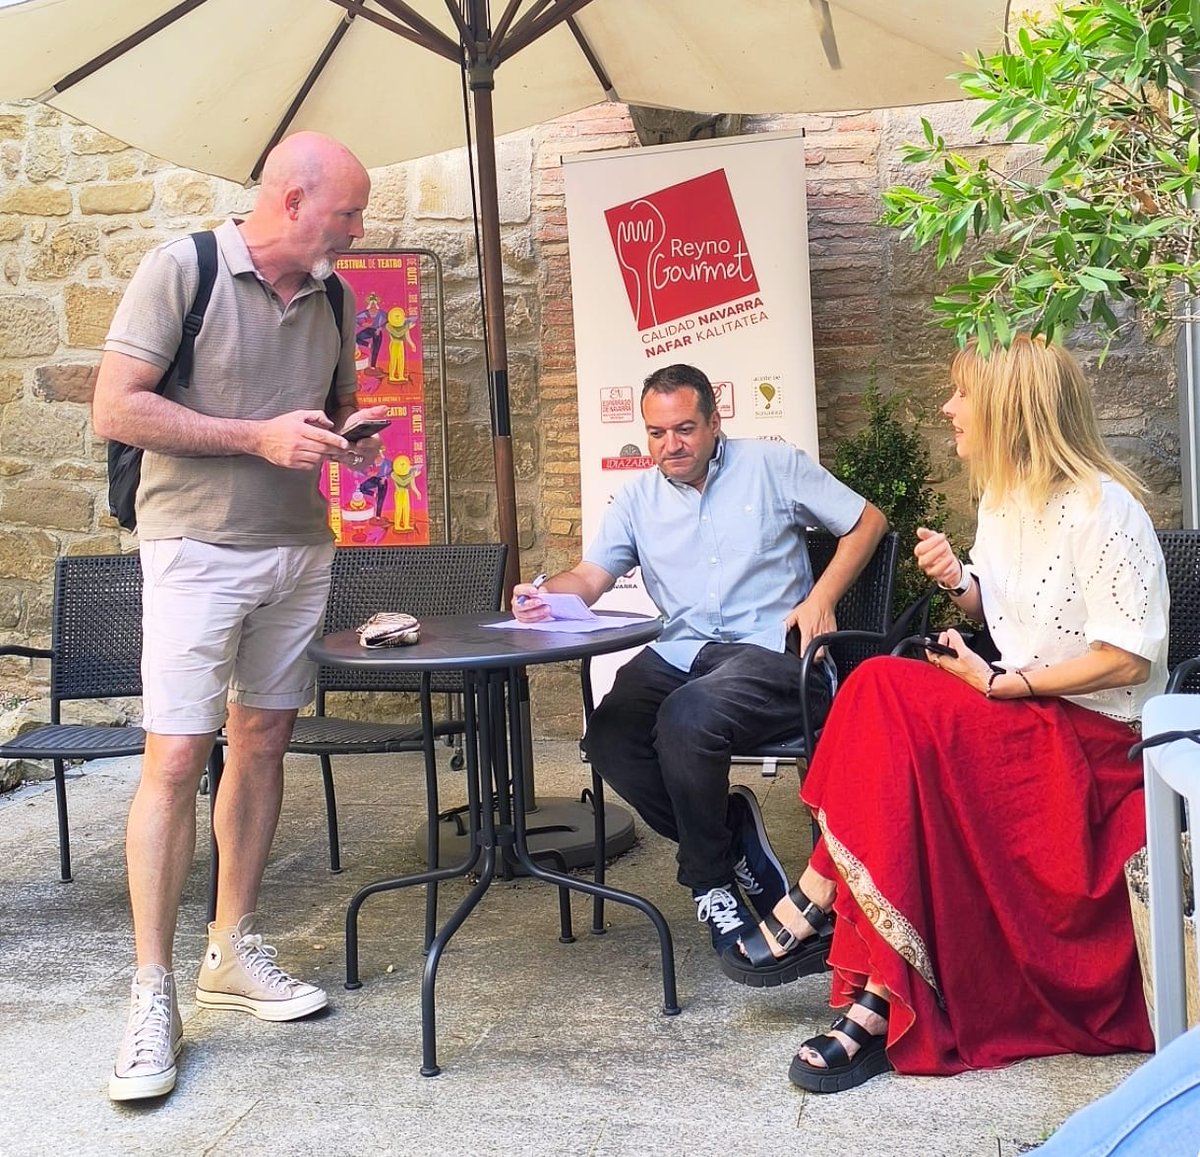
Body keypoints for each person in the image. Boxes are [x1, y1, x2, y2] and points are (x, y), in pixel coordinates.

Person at [719, 335, 1167, 1095]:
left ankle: (821, 905)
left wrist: (1002, 685)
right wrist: (961, 583)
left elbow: (1128, 659)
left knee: (882, 691)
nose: (948, 408)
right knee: (882, 696)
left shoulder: (1104, 509)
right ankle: (870, 987)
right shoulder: (1003, 496)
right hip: (1027, 714)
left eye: (963, 394)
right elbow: (1004, 605)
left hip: (1096, 744)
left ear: (1009, 408)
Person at [92, 131, 389, 1102]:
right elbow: (116, 409)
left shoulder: (337, 297)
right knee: (176, 757)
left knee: (262, 742)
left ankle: (231, 947)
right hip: (193, 548)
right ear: (293, 200)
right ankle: (151, 991)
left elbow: (322, 417)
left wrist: (344, 437)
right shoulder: (182, 270)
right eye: (348, 211)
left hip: (299, 546)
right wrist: (254, 437)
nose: (358, 227)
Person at [512, 363, 888, 958]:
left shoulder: (771, 464)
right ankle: (728, 833)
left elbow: (868, 521)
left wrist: (822, 597)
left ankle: (710, 880)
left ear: (715, 423)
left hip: (769, 651)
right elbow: (590, 576)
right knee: (610, 736)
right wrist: (544, 597)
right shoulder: (637, 497)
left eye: (685, 429)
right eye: (657, 433)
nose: (671, 445)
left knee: (688, 718)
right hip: (681, 651)